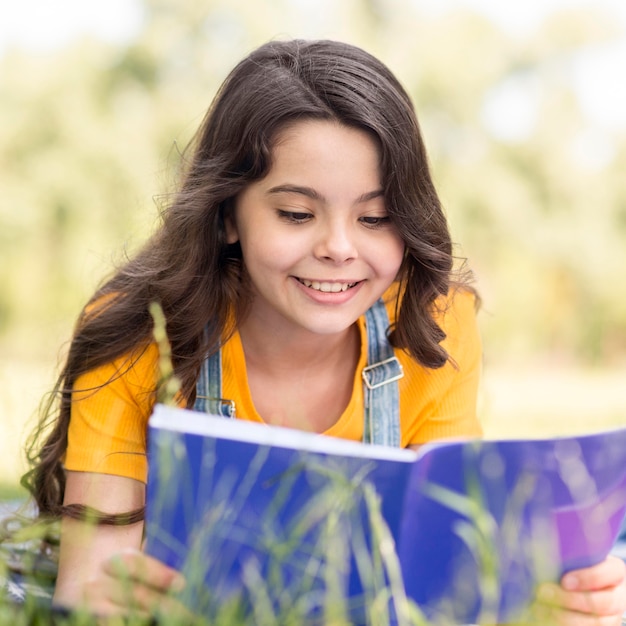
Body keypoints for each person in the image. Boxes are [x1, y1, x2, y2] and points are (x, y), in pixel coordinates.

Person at [22, 39, 626, 622]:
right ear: (229, 213)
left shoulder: (435, 322)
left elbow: (449, 585)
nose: (338, 248)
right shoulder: (134, 332)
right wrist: (115, 599)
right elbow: (88, 591)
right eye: (296, 214)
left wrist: (545, 601)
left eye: (375, 217)